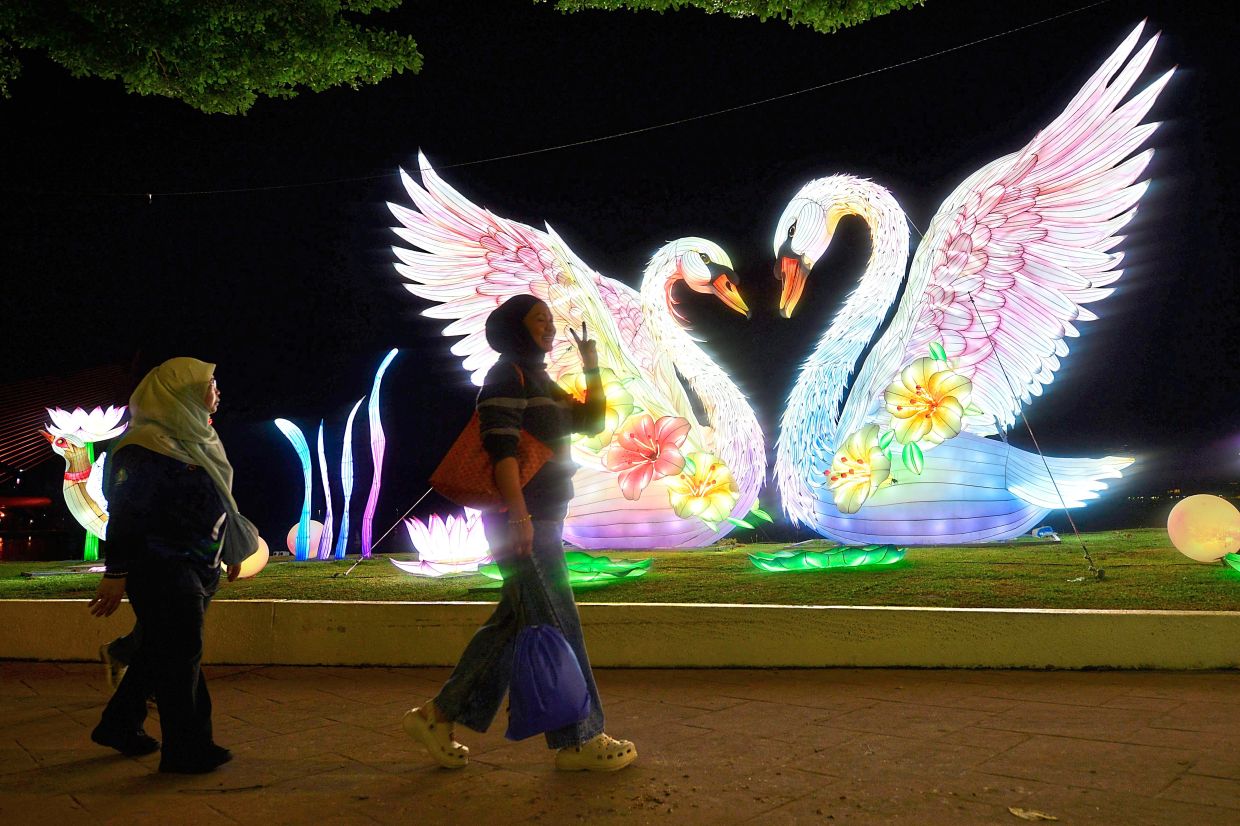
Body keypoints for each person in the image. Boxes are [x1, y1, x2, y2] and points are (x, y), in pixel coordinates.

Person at [403, 295, 638, 772]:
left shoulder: (540, 379)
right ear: (515, 327)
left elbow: (590, 422)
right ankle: (580, 739)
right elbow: (501, 451)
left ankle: (437, 716)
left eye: (551, 320)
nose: (549, 327)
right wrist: (518, 515)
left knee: (513, 624)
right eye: (538, 320)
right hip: (523, 520)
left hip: (541, 516)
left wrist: (591, 366)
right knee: (558, 621)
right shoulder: (506, 376)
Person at [88, 357, 258, 774]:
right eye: (210, 384)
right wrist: (116, 574)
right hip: (160, 566)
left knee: (159, 648)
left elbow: (217, 503)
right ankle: (188, 748)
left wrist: (230, 550)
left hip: (201, 565)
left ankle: (119, 723)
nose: (217, 391)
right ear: (180, 393)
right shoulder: (140, 447)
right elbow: (126, 515)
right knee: (183, 653)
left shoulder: (197, 437)